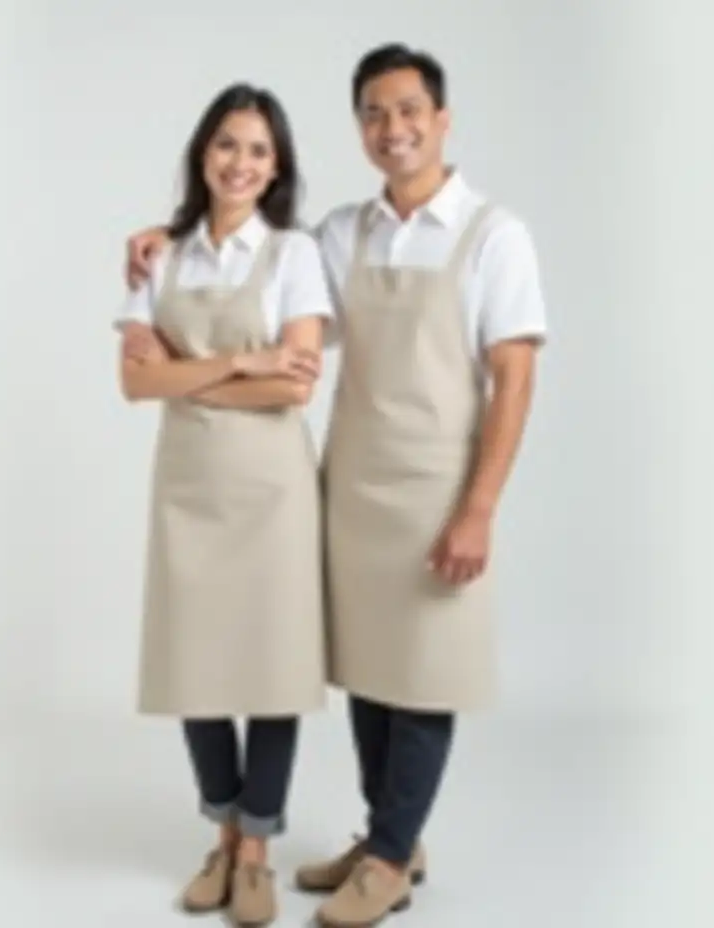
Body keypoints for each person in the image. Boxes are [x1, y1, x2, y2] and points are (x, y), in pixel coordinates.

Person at [123, 44, 547, 928]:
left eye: (408, 111)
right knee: (368, 670)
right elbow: (246, 250)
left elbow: (514, 376)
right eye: (374, 115)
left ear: (442, 120)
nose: (393, 129)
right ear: (359, 129)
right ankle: (389, 832)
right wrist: (165, 235)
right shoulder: (342, 234)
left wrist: (479, 507)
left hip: (440, 481)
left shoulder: (493, 235)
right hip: (351, 483)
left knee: (424, 673)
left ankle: (390, 859)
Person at [114, 82, 333, 926]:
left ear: (276, 169)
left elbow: (294, 391)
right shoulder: (159, 256)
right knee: (195, 665)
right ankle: (221, 828)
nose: (239, 163)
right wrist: (242, 364)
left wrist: (192, 372)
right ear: (203, 153)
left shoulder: (294, 256)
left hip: (273, 491)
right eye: (227, 144)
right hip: (189, 486)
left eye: (258, 151)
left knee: (272, 669)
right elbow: (134, 383)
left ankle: (254, 852)